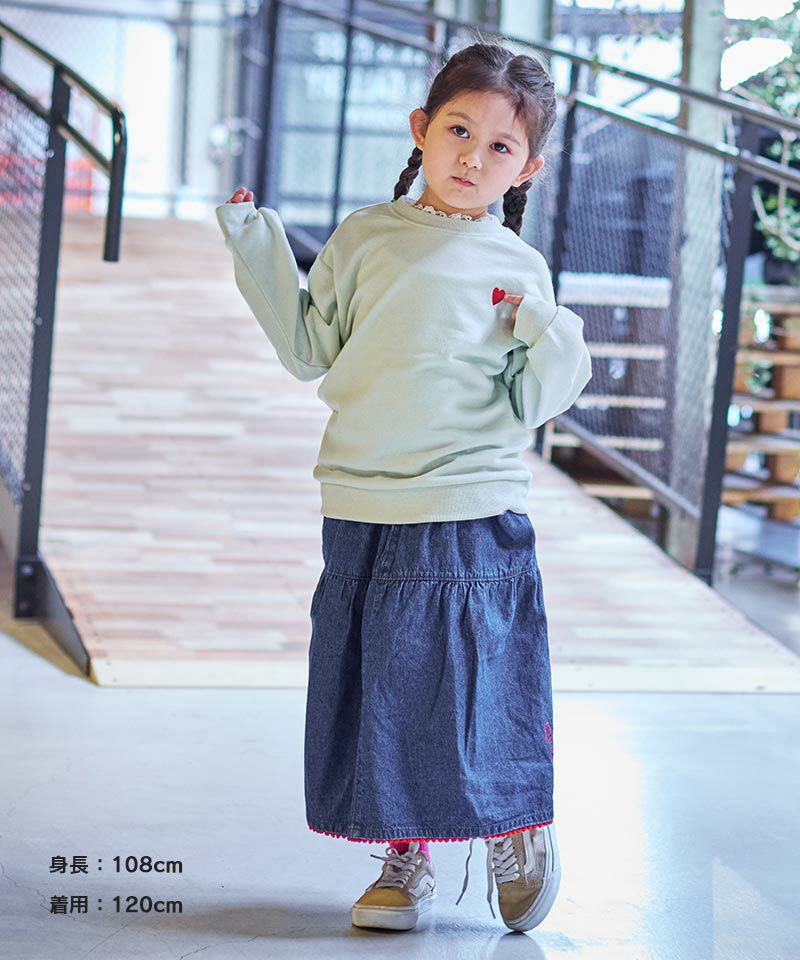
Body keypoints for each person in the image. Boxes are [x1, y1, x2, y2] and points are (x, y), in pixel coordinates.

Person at [216, 37, 592, 934]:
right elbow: (309, 348)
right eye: (458, 130)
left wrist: (549, 330)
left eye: (499, 146)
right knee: (385, 690)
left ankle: (515, 825)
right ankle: (405, 856)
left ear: (527, 168)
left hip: (471, 504)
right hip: (364, 502)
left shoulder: (519, 269)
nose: (472, 157)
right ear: (420, 128)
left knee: (477, 683)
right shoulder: (363, 238)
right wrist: (258, 243)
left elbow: (532, 400)